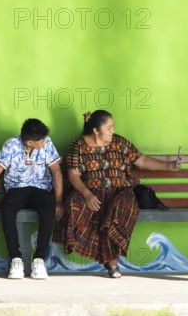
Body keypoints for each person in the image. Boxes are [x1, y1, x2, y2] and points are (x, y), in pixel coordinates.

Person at [53, 110, 180, 278]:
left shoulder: (120, 143)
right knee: (74, 206)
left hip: (119, 191)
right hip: (91, 191)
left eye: (113, 127)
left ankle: (112, 260)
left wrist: (168, 166)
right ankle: (109, 259)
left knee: (119, 212)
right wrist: (87, 194)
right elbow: (73, 175)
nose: (113, 131)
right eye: (109, 128)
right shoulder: (78, 146)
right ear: (96, 131)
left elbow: (142, 160)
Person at [0, 118, 63, 280]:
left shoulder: (47, 143)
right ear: (29, 142)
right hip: (16, 189)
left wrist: (58, 201)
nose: (44, 141)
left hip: (40, 189)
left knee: (48, 209)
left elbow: (57, 172)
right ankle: (16, 259)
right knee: (8, 208)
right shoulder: (11, 145)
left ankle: (39, 259)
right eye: (41, 140)